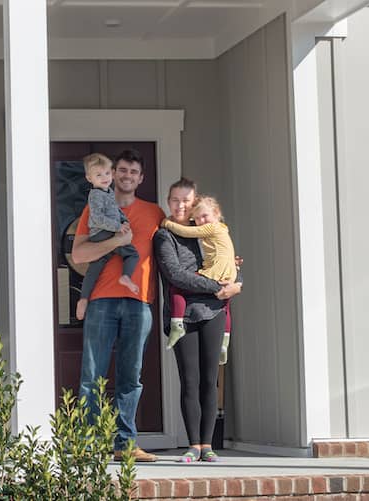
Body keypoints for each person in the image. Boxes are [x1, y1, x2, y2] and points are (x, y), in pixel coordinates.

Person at [70, 149, 163, 462]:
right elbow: (80, 255)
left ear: (141, 178)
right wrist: (115, 243)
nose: (127, 176)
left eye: (133, 172)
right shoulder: (95, 208)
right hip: (101, 301)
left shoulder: (155, 213)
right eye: (122, 170)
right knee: (91, 375)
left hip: (139, 303)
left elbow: (179, 251)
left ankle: (125, 444)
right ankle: (88, 445)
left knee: (130, 376)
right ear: (113, 173)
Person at [154, 179, 242, 463]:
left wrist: (237, 282)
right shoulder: (164, 236)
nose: (181, 205)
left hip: (215, 312)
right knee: (189, 380)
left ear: (194, 204)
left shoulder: (204, 232)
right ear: (168, 202)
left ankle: (208, 445)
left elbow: (227, 261)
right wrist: (217, 286)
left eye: (186, 201)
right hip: (185, 316)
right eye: (175, 200)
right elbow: (175, 275)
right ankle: (192, 444)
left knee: (209, 381)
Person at [159, 195, 236, 364]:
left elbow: (187, 231)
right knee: (225, 305)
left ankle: (177, 324)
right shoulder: (222, 229)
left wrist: (167, 223)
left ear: (216, 213)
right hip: (228, 273)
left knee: (176, 288)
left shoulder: (211, 228)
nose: (201, 221)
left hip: (216, 274)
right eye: (197, 218)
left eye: (204, 216)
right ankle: (225, 339)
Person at [76, 153, 141, 321]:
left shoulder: (108, 192)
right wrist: (118, 227)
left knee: (96, 267)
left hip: (107, 231)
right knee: (132, 253)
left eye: (106, 173)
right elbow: (98, 218)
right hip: (102, 232)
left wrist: (123, 219)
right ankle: (126, 276)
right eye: (98, 175)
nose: (104, 178)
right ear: (89, 178)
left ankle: (83, 299)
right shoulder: (96, 195)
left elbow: (115, 210)